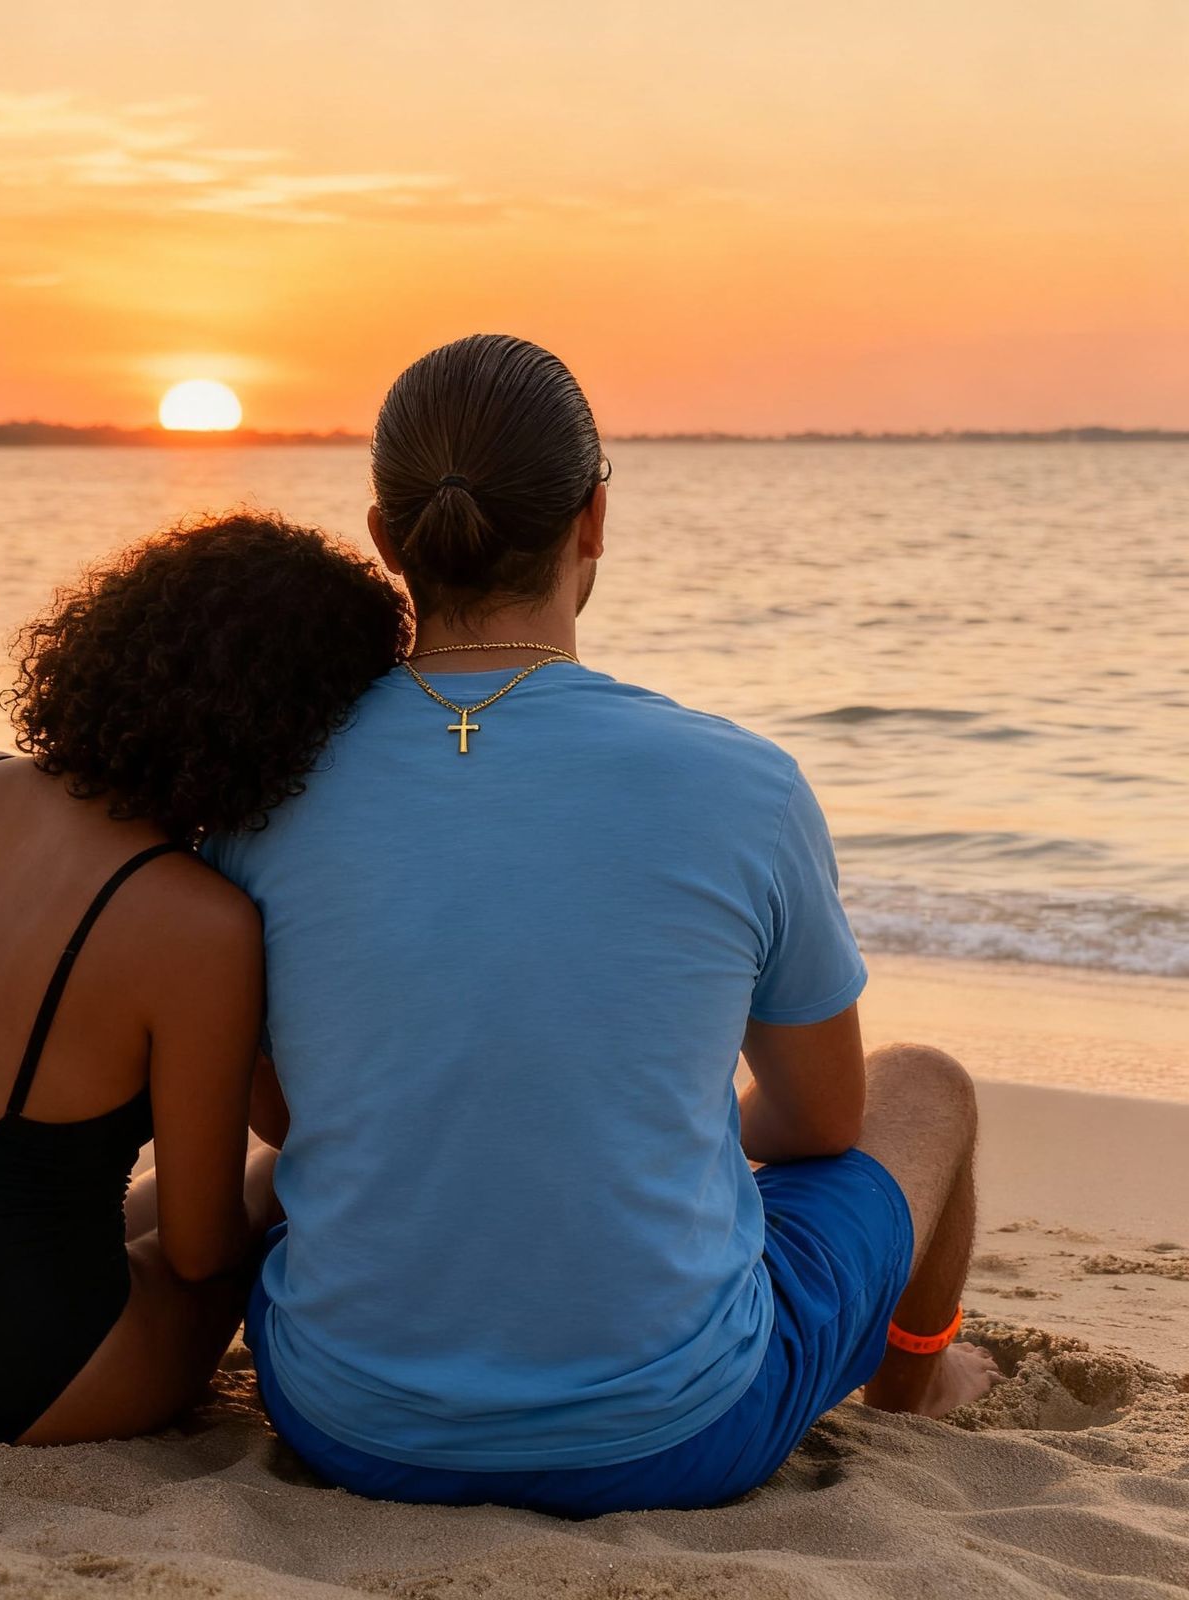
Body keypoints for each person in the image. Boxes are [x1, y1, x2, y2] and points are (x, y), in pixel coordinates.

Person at [204, 335, 1001, 1516]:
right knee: (926, 1087)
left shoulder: (264, 786)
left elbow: (283, 1112)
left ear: (383, 537)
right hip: (676, 1432)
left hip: (348, 1422)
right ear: (593, 517)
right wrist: (654, 1126)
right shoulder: (742, 782)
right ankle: (914, 1373)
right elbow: (823, 1118)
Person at [0, 514, 409, 1445]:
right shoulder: (197, 925)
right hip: (3, 1373)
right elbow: (197, 1255)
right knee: (276, 1183)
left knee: (67, 1199)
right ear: (293, 732)